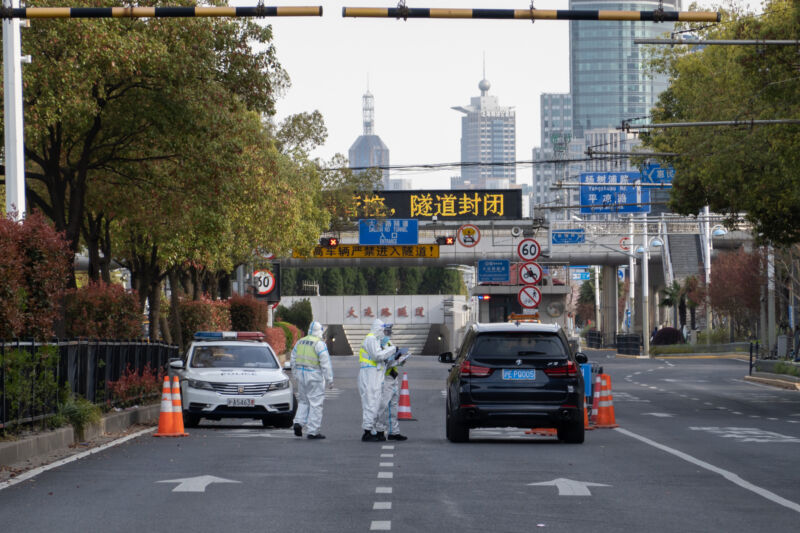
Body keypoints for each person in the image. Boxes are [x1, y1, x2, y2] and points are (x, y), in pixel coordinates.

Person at [290, 321, 333, 440]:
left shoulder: (301, 342)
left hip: (301, 376)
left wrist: (295, 373)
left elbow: (293, 358)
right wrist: (330, 380)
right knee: (316, 404)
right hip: (314, 377)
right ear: (319, 331)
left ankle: (298, 422)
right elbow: (325, 363)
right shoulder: (319, 344)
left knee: (303, 401)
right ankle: (313, 431)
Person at [358, 318, 398, 442]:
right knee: (371, 402)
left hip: (374, 374)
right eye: (382, 330)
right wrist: (392, 350)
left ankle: (371, 430)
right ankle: (367, 432)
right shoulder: (370, 339)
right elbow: (377, 356)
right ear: (378, 328)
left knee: (374, 403)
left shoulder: (374, 339)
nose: (384, 332)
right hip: (370, 374)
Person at [375, 325, 408, 441]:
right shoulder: (379, 344)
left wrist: (400, 360)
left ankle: (394, 431)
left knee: (394, 406)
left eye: (389, 331)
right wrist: (394, 361)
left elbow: (392, 358)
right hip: (386, 378)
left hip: (393, 377)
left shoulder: (389, 343)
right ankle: (379, 430)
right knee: (383, 405)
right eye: (387, 331)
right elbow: (383, 362)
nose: (389, 333)